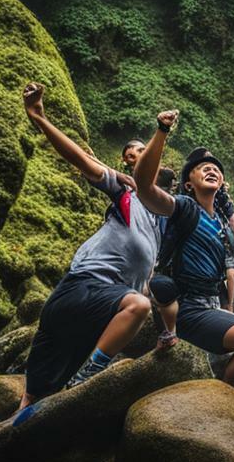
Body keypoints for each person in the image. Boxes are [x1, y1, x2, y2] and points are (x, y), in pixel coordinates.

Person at [15, 83, 172, 414]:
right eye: (131, 156)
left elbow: (149, 281)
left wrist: (165, 333)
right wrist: (38, 117)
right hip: (85, 285)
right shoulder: (125, 190)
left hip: (106, 310)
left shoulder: (163, 219)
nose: (136, 158)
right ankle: (88, 377)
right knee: (32, 396)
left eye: (142, 153)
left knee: (43, 399)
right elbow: (81, 159)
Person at [133, 110, 234, 390]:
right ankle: (221, 396)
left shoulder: (218, 220)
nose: (211, 169)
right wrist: (161, 131)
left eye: (216, 168)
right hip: (187, 309)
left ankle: (217, 393)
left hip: (209, 306)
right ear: (188, 184)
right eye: (201, 167)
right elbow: (144, 186)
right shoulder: (183, 207)